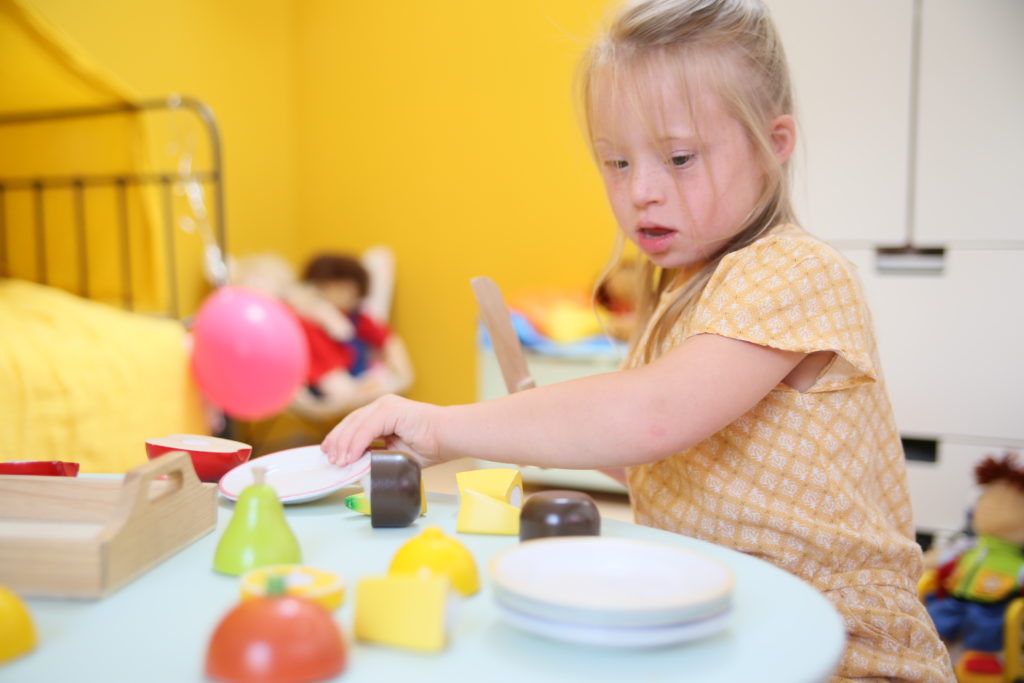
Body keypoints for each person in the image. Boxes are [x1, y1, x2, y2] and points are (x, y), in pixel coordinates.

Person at [322, 0, 954, 679]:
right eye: (616, 162)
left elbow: (649, 418)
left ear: (775, 144)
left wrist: (444, 426)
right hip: (721, 619)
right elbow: (665, 464)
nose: (641, 191)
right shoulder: (674, 291)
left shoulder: (796, 270)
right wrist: (540, 416)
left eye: (679, 157)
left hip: (835, 642)